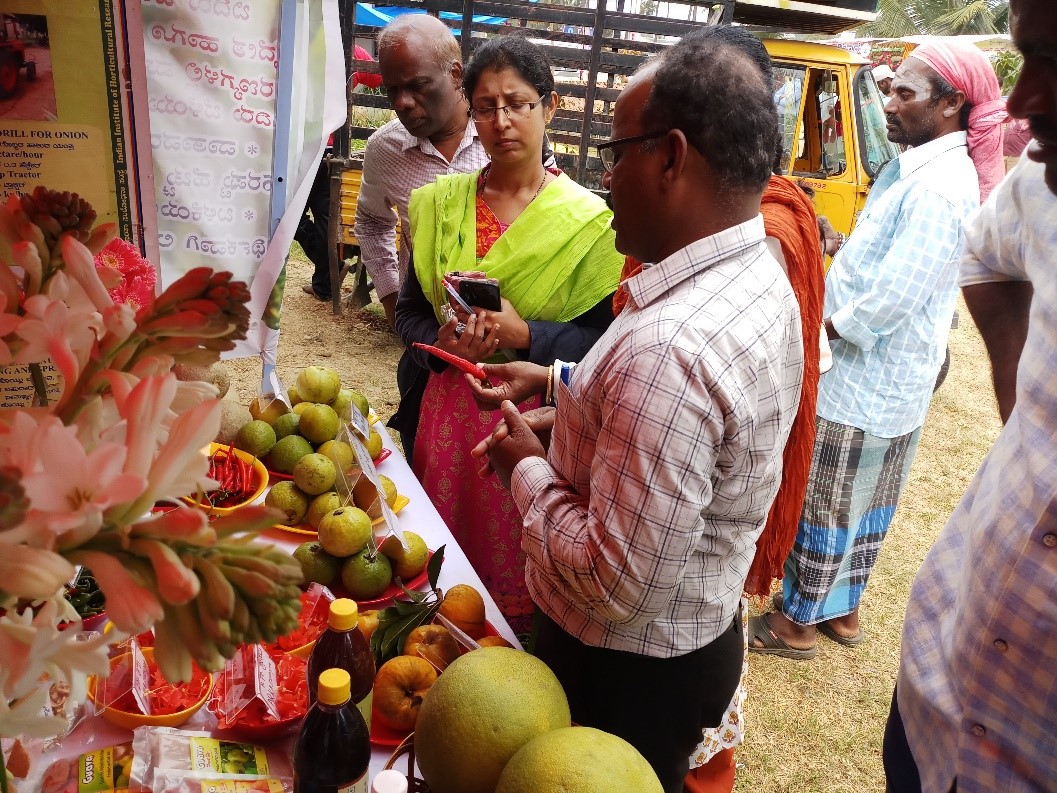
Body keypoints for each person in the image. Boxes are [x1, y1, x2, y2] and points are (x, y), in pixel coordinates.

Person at [470, 36, 803, 793]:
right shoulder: (754, 271)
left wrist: (523, 468)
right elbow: (698, 439)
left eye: (616, 152)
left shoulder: (670, 346)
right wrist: (565, 386)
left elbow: (615, 580)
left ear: (671, 157)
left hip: (620, 675)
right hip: (687, 646)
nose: (604, 175)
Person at [750, 39, 1006, 659]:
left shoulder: (938, 187)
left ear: (949, 105)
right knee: (865, 499)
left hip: (864, 376)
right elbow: (888, 264)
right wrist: (836, 246)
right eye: (889, 89)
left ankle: (798, 624)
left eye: (904, 93)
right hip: (888, 380)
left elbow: (891, 297)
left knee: (831, 497)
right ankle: (843, 614)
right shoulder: (920, 168)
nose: (888, 102)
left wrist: (821, 330)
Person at [393, 35, 623, 635]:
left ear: (549, 107)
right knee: (437, 588)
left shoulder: (590, 225)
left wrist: (528, 336)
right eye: (486, 105)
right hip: (445, 421)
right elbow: (408, 317)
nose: (502, 120)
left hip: (531, 427)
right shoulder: (440, 206)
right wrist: (443, 343)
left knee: (517, 593)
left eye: (518, 103)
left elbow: (603, 348)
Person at [884, 2, 1057, 789]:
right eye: (1026, 61)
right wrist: (1030, 422)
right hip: (938, 698)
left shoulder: (940, 180)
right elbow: (984, 256)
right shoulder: (1041, 185)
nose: (1022, 108)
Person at [298, 45, 382, 302]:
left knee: (288, 213)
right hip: (334, 147)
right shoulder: (352, 50)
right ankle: (324, 283)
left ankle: (328, 270)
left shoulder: (302, 42)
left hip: (302, 147)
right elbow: (377, 78)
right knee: (325, 215)